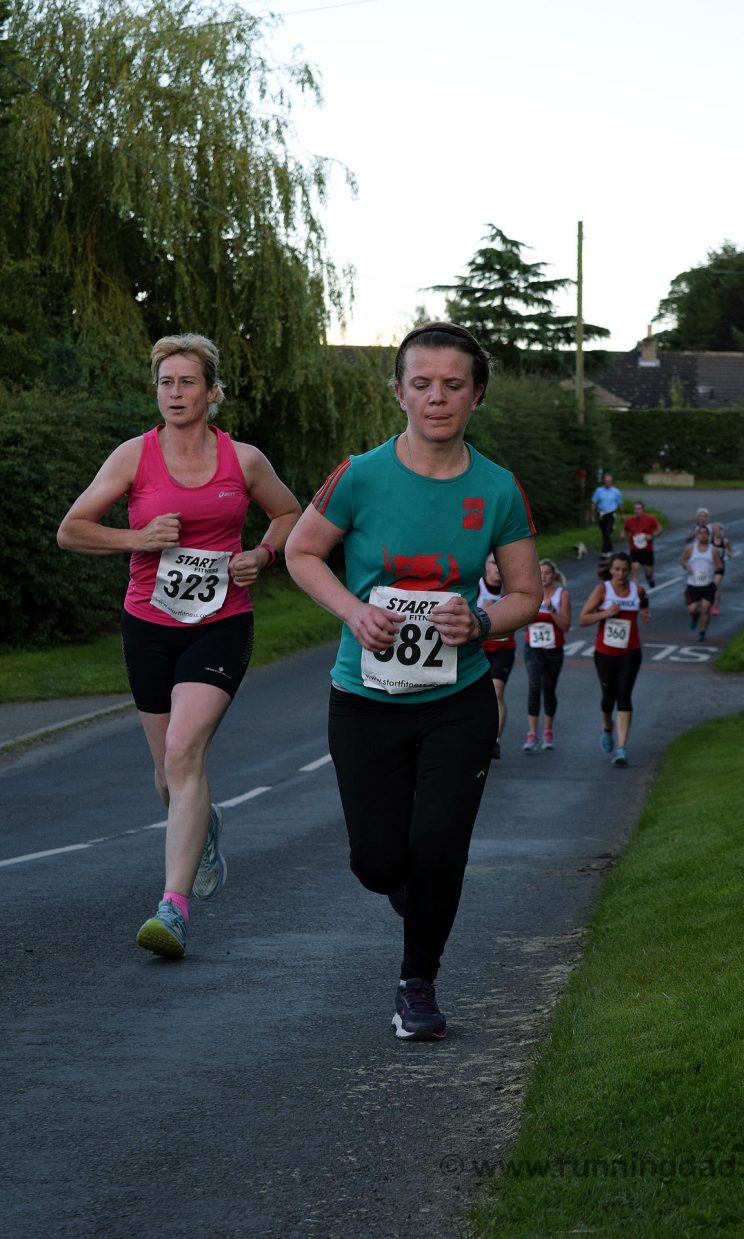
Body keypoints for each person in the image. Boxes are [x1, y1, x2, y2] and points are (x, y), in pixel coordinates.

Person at [284, 322, 540, 1040]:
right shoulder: (359, 474)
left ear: (477, 395)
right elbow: (302, 553)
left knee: (441, 844)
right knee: (378, 860)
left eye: (453, 384)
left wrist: (482, 624)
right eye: (421, 384)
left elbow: (524, 595)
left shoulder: (498, 489)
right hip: (364, 699)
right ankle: (410, 891)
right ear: (398, 392)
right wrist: (353, 610)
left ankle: (417, 981)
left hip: (457, 699)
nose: (437, 398)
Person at [57, 333, 301, 959]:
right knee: (168, 772)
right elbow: (72, 531)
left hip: (222, 621)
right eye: (166, 382)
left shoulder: (242, 460)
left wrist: (262, 554)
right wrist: (136, 539)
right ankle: (206, 827)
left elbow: (288, 512)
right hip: (149, 623)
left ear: (211, 392)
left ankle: (174, 907)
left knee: (184, 748)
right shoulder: (133, 457)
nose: (175, 393)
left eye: (187, 382)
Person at [578, 551, 649, 767]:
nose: (620, 573)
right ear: (611, 570)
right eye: (617, 569)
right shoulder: (602, 590)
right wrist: (605, 613)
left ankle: (622, 748)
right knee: (608, 698)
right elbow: (582, 619)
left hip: (631, 651)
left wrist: (646, 614)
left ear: (629, 571)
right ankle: (607, 727)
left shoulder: (637, 589)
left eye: (624, 570)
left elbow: (645, 606)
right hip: (605, 652)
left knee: (624, 696)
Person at [522, 558, 570, 752]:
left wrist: (551, 610)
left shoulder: (561, 595)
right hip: (532, 646)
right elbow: (520, 624)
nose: (543, 577)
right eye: (540, 573)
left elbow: (565, 625)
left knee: (548, 689)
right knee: (534, 685)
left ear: (554, 575)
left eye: (547, 573)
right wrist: (530, 617)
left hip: (553, 649)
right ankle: (532, 733)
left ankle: (548, 730)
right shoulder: (530, 596)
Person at [478, 552, 516, 758]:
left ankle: (495, 740)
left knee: (497, 691)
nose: (497, 567)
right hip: (478, 649)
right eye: (493, 563)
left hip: (504, 648)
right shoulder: (475, 587)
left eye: (501, 563)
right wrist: (478, 610)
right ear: (485, 565)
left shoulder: (511, 590)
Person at [679, 524, 722, 642]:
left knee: (706, 608)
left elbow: (719, 565)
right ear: (697, 535)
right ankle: (695, 616)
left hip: (708, 585)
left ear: (708, 536)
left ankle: (702, 631)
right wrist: (685, 566)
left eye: (705, 533)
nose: (702, 535)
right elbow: (681, 559)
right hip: (693, 584)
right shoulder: (690, 549)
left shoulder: (713, 550)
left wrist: (712, 570)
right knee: (692, 609)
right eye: (700, 533)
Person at [622, 499, 662, 588]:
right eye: (635, 509)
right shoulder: (630, 520)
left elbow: (659, 529)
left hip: (647, 549)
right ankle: (635, 591)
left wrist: (651, 536)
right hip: (634, 549)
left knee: (648, 573)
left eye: (639, 508)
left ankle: (650, 579)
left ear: (643, 509)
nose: (637, 511)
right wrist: (624, 536)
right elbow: (623, 531)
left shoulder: (650, 519)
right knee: (634, 568)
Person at [591, 471, 623, 558]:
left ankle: (604, 552)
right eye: (606, 481)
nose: (607, 483)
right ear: (604, 481)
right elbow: (594, 503)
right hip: (601, 514)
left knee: (607, 532)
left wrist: (622, 514)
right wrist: (592, 515)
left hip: (611, 514)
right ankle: (610, 549)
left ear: (611, 481)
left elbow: (619, 503)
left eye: (609, 481)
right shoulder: (598, 491)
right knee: (604, 533)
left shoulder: (616, 492)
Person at [709, 522, 733, 615]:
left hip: (719, 566)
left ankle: (715, 608)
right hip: (708, 566)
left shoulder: (725, 541)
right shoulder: (709, 540)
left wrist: (730, 554)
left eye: (716, 529)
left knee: (715, 586)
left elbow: (730, 551)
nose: (715, 531)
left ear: (721, 530)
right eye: (713, 530)